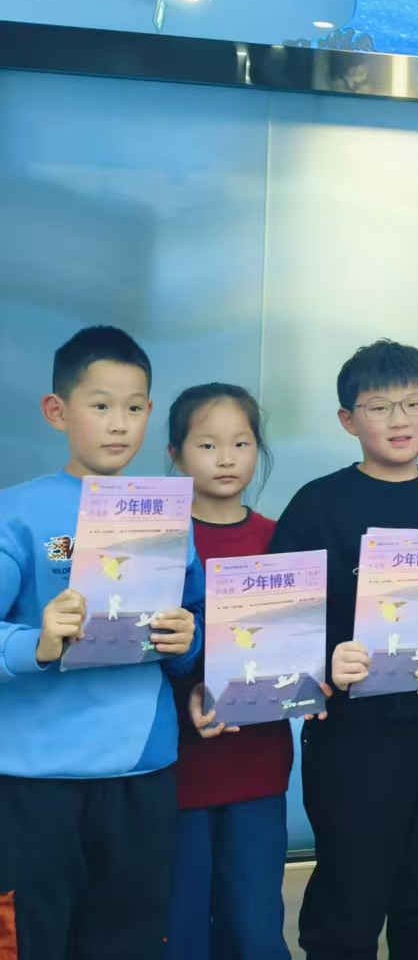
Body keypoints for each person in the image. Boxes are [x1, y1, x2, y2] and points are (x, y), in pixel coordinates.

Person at [269, 339, 418, 960]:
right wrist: (324, 660)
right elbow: (277, 619)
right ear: (348, 420)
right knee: (349, 898)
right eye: (379, 407)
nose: (399, 420)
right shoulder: (317, 506)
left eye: (413, 403)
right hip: (355, 740)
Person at [0, 325, 204, 957]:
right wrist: (38, 643)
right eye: (100, 405)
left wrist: (186, 640)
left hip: (141, 770)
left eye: (135, 408)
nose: (120, 424)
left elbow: (191, 634)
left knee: (131, 940)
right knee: (35, 940)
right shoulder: (18, 513)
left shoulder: (168, 514)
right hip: (36, 778)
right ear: (56, 411)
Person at [166, 384, 311, 960]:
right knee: (181, 928)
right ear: (176, 454)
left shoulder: (283, 540)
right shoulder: (160, 540)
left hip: (258, 764)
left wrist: (312, 677)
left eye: (241, 443)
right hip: (176, 766)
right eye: (207, 445)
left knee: (254, 926)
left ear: (258, 449)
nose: (226, 458)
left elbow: (301, 644)